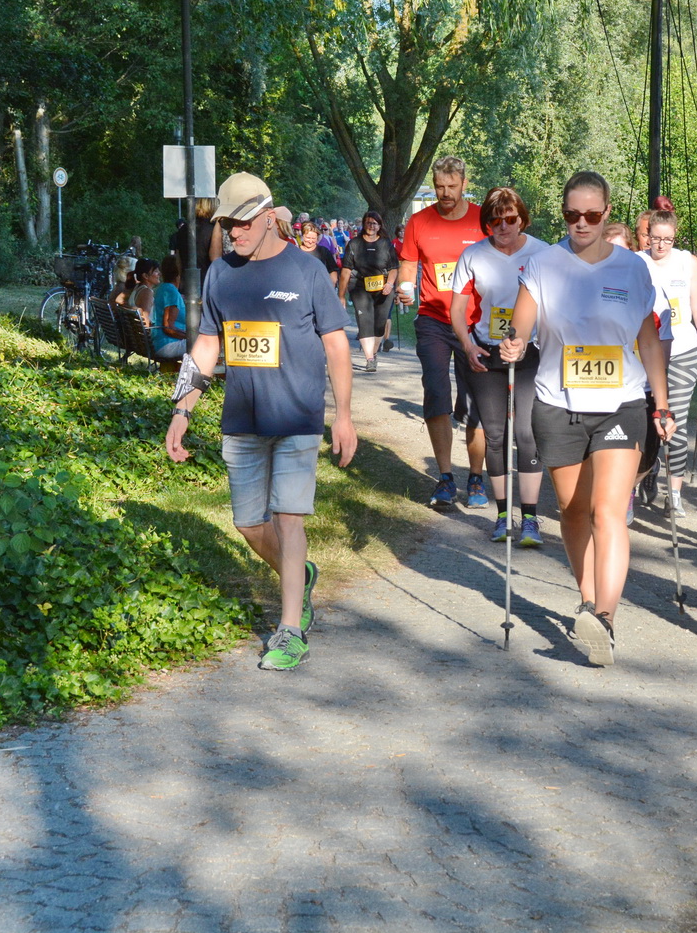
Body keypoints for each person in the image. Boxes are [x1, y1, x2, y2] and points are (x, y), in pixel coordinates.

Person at [164, 172, 357, 672]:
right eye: (227, 224)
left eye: (243, 223)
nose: (234, 233)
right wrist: (182, 408)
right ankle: (300, 576)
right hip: (243, 420)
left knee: (289, 519)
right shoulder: (221, 274)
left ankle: (290, 629)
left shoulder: (307, 271)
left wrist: (344, 417)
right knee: (249, 524)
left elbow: (337, 345)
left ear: (269, 217)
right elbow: (207, 346)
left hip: (297, 417)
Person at [501, 170, 673, 666]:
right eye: (572, 214)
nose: (581, 223)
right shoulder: (543, 264)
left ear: (606, 213)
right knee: (573, 511)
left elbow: (648, 341)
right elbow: (522, 321)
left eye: (592, 215)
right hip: (558, 404)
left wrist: (662, 404)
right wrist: (515, 342)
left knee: (608, 510)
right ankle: (588, 599)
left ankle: (605, 618)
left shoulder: (632, 268)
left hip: (621, 404)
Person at [451, 186, 549, 547]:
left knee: (526, 433)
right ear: (487, 224)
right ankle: (503, 514)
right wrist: (468, 345)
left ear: (522, 219)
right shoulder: (473, 255)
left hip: (529, 352)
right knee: (495, 434)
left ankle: (530, 518)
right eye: (495, 222)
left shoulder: (542, 253)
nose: (503, 227)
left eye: (510, 219)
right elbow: (457, 308)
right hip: (487, 351)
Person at [397, 156, 488, 510]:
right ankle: (446, 477)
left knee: (476, 402)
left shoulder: (482, 219)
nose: (446, 193)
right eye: (439, 187)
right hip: (433, 319)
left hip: (474, 322)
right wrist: (405, 286)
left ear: (464, 183)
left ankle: (476, 477)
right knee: (436, 393)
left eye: (452, 186)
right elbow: (408, 263)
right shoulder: (419, 222)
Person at [643, 206, 697, 518]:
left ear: (675, 237)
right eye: (656, 238)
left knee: (674, 421)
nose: (661, 245)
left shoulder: (687, 262)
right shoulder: (637, 262)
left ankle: (675, 493)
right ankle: (647, 469)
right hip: (646, 354)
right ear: (647, 236)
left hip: (683, 352)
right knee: (647, 423)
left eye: (667, 239)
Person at [338, 210, 400, 372]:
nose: (371, 226)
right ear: (363, 224)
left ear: (379, 226)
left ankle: (374, 352)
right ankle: (370, 359)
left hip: (383, 288)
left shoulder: (386, 244)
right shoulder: (354, 244)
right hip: (360, 287)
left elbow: (394, 268)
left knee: (379, 324)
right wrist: (341, 295)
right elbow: (346, 271)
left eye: (374, 223)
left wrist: (390, 284)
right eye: (368, 223)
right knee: (364, 322)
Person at [170, 197, 223, 272]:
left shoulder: (183, 229)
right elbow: (216, 260)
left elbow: (178, 261)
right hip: (207, 276)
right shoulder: (215, 230)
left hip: (186, 277)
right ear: (213, 206)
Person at [151, 254, 188, 359]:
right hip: (168, 345)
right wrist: (190, 336)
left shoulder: (163, 288)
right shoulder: (171, 292)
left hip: (161, 343)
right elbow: (168, 328)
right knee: (207, 343)